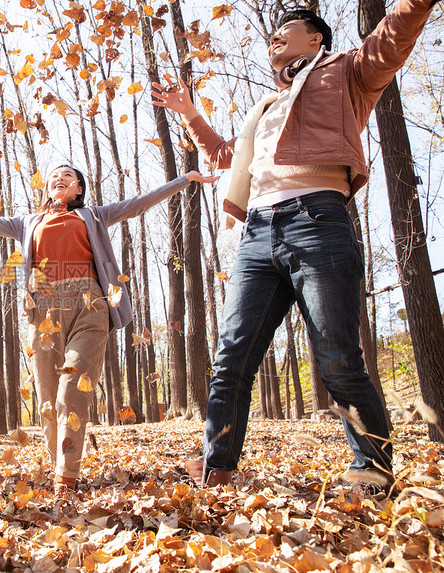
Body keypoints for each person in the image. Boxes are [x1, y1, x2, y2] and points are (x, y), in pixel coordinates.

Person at [151, 0, 439, 490]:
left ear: (316, 39)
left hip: (319, 221)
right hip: (258, 233)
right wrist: (190, 114)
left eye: (287, 29)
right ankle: (218, 466)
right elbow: (226, 156)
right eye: (271, 35)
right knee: (231, 356)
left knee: (338, 357)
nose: (274, 38)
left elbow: (394, 36)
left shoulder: (347, 73)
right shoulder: (265, 106)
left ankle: (371, 466)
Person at [0, 165, 216, 498]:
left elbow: (138, 204)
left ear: (78, 189)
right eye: (54, 175)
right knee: (47, 400)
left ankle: (66, 480)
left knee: (70, 391)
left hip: (90, 305)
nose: (59, 178)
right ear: (47, 187)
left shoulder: (94, 216)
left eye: (68, 176)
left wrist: (185, 180)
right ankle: (60, 462)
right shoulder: (27, 222)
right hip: (44, 310)